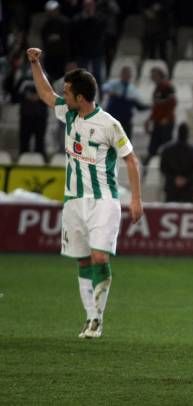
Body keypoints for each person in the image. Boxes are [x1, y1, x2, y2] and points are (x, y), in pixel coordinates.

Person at [26, 47, 143, 338]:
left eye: (67, 92)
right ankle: (91, 318)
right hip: (73, 201)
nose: (62, 96)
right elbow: (44, 94)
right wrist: (35, 62)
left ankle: (98, 319)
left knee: (99, 258)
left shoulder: (109, 124)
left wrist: (136, 198)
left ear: (80, 97)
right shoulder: (68, 114)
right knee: (82, 260)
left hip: (103, 201)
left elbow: (130, 158)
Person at [160, 123, 193, 203]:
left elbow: (163, 168)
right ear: (188, 133)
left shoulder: (166, 149)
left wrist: (174, 178)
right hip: (190, 188)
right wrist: (186, 179)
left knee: (170, 208)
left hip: (172, 187)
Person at [102, 66, 148, 140]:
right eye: (125, 74)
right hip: (114, 115)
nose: (126, 76)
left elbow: (138, 103)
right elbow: (104, 87)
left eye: (128, 74)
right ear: (121, 74)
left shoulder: (132, 88)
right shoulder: (114, 84)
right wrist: (111, 92)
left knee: (126, 140)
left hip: (126, 118)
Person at [144, 67, 176, 165]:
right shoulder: (157, 88)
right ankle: (147, 169)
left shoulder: (167, 86)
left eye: (154, 75)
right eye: (152, 75)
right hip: (158, 122)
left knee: (166, 147)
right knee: (153, 147)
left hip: (166, 122)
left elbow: (173, 102)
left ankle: (169, 166)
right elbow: (156, 107)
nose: (152, 77)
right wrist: (149, 120)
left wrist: (166, 117)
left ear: (160, 75)